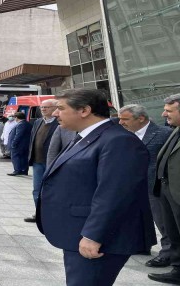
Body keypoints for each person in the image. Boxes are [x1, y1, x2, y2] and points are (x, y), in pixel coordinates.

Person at [38, 89, 154, 286]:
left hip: (100, 239)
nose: (55, 113)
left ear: (84, 110)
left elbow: (115, 194)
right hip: (78, 232)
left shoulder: (118, 141)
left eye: (60, 108)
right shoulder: (86, 136)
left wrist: (93, 235)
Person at [117, 104, 172, 266]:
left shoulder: (164, 134)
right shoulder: (123, 134)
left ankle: (168, 254)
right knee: (137, 219)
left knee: (163, 222)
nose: (121, 123)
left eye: (125, 119)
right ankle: (141, 245)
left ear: (141, 118)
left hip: (155, 187)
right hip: (132, 187)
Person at [149, 94, 180, 284]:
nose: (163, 114)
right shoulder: (175, 130)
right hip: (168, 191)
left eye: (169, 111)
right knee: (174, 233)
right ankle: (178, 269)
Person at [24, 100, 59, 222]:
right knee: (37, 189)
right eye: (42, 107)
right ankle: (39, 214)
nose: (43, 109)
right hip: (37, 162)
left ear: (55, 108)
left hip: (53, 163)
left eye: (46, 107)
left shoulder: (59, 123)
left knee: (52, 190)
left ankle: (52, 214)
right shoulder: (38, 122)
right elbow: (32, 140)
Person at [7, 112, 32, 176]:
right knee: (23, 158)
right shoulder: (27, 123)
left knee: (16, 157)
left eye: (14, 117)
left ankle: (17, 170)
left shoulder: (21, 124)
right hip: (24, 144)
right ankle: (23, 170)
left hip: (19, 145)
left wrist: (14, 143)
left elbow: (18, 135)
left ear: (16, 117)